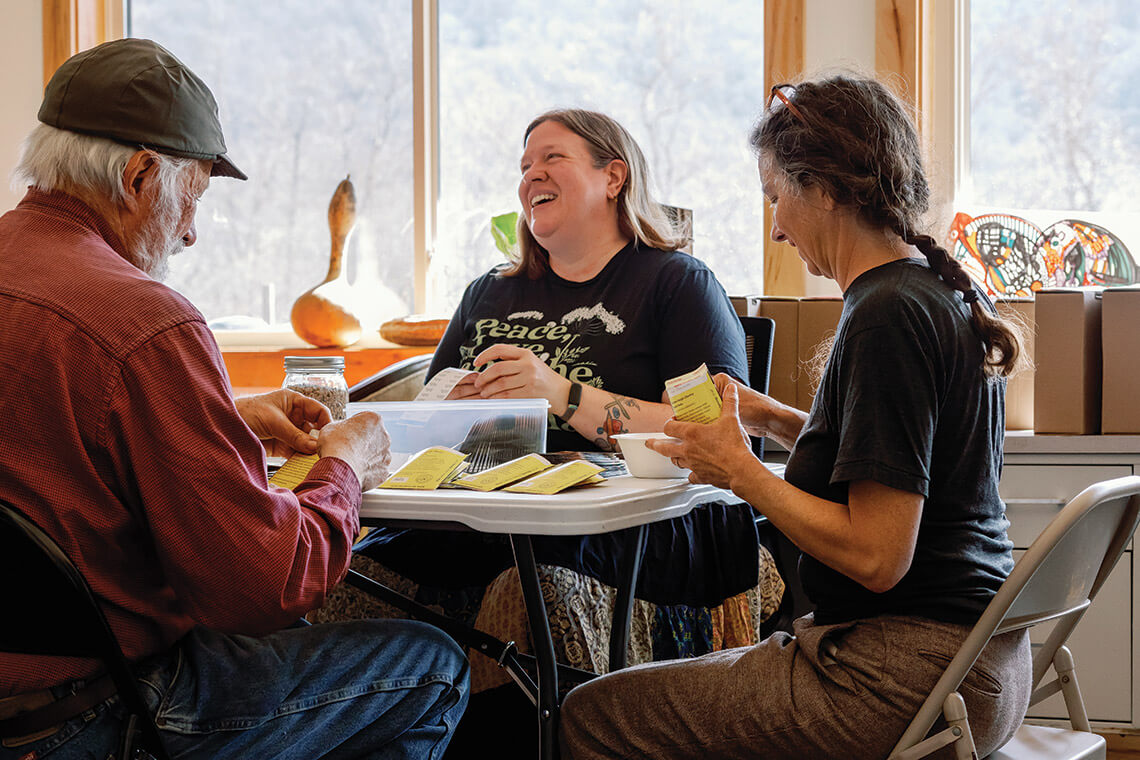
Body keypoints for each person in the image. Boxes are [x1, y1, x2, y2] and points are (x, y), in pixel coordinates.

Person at [0, 38, 467, 759]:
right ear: (140, 174)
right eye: (194, 198)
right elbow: (264, 591)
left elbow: (46, 445)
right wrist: (342, 464)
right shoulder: (143, 320)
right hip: (95, 716)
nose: (189, 232)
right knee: (431, 666)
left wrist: (224, 422)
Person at [558, 75, 1034, 759]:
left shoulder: (886, 316)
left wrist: (740, 472)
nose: (777, 227)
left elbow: (877, 557)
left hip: (902, 678)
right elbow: (903, 449)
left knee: (592, 714)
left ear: (827, 189)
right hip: (977, 666)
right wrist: (777, 420)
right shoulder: (929, 294)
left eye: (777, 197)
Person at [340, 109, 783, 755]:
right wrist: (455, 406)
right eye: (523, 166)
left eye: (551, 158)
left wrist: (561, 393)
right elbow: (427, 426)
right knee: (343, 573)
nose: (531, 175)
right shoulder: (486, 294)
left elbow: (712, 429)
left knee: (526, 594)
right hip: (483, 517)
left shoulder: (674, 283)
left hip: (636, 526)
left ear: (613, 177)